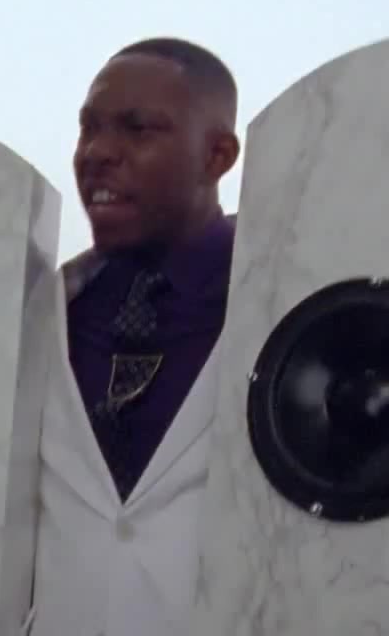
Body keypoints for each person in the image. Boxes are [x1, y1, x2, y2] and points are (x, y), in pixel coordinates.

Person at [29, 38, 240, 636]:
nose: (98, 152)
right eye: (88, 128)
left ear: (217, 155)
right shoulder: (47, 311)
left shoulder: (276, 302)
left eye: (137, 128)